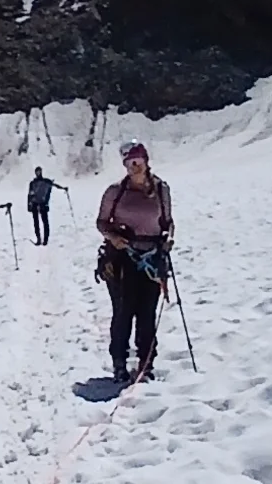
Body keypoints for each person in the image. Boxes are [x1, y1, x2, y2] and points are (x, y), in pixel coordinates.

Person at [94, 140, 175, 384]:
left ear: (146, 160)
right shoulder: (115, 192)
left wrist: (168, 239)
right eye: (129, 162)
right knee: (123, 312)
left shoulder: (162, 190)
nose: (134, 166)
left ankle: (146, 361)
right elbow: (101, 222)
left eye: (137, 161)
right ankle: (119, 362)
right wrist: (113, 237)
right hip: (122, 259)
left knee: (147, 312)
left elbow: (168, 222)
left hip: (152, 259)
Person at [27, 167, 66, 245]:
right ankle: (38, 239)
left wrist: (63, 188)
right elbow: (29, 195)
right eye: (37, 172)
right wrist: (29, 205)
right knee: (36, 223)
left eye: (39, 171)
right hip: (35, 204)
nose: (38, 173)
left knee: (45, 222)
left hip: (43, 204)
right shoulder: (32, 183)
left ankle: (45, 240)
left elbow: (55, 185)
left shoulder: (46, 182)